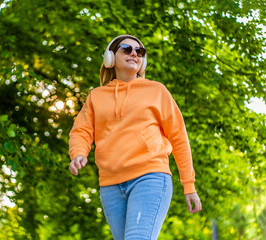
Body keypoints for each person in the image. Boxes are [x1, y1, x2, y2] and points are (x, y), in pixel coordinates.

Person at [68, 34, 202, 240]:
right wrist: (78, 153)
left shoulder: (157, 91)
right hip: (110, 185)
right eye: (127, 49)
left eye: (139, 52)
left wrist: (189, 185)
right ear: (110, 58)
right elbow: (81, 131)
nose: (134, 54)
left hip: (150, 176)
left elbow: (179, 137)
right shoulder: (96, 96)